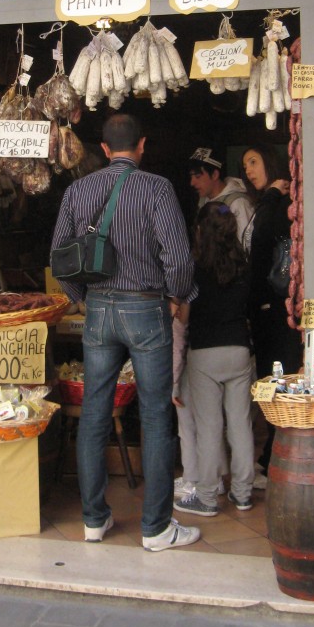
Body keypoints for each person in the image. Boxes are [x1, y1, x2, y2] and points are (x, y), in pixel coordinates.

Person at [50, 114, 201, 552]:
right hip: (147, 308)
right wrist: (177, 296)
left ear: (102, 148)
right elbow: (178, 256)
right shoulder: (156, 189)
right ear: (141, 146)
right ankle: (156, 528)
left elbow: (60, 255)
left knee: (94, 414)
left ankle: (93, 521)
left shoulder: (79, 190)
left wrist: (81, 297)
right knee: (155, 417)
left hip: (99, 309)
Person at [172, 201, 254, 516]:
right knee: (240, 424)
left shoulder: (194, 269)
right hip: (238, 350)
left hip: (205, 353)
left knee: (209, 427)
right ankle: (243, 493)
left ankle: (206, 497)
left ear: (200, 232)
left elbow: (186, 317)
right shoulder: (244, 265)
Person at [241, 143, 303, 470]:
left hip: (279, 307)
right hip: (271, 306)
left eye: (253, 161)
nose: (249, 170)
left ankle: (277, 452)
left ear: (270, 160)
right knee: (270, 378)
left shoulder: (280, 201)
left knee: (276, 377)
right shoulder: (273, 200)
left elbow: (263, 237)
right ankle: (274, 451)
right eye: (245, 165)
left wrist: (270, 200)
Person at [188, 147, 255, 247]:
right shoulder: (203, 201)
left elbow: (247, 245)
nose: (192, 183)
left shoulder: (238, 202)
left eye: (198, 176)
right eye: (191, 177)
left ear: (214, 174)